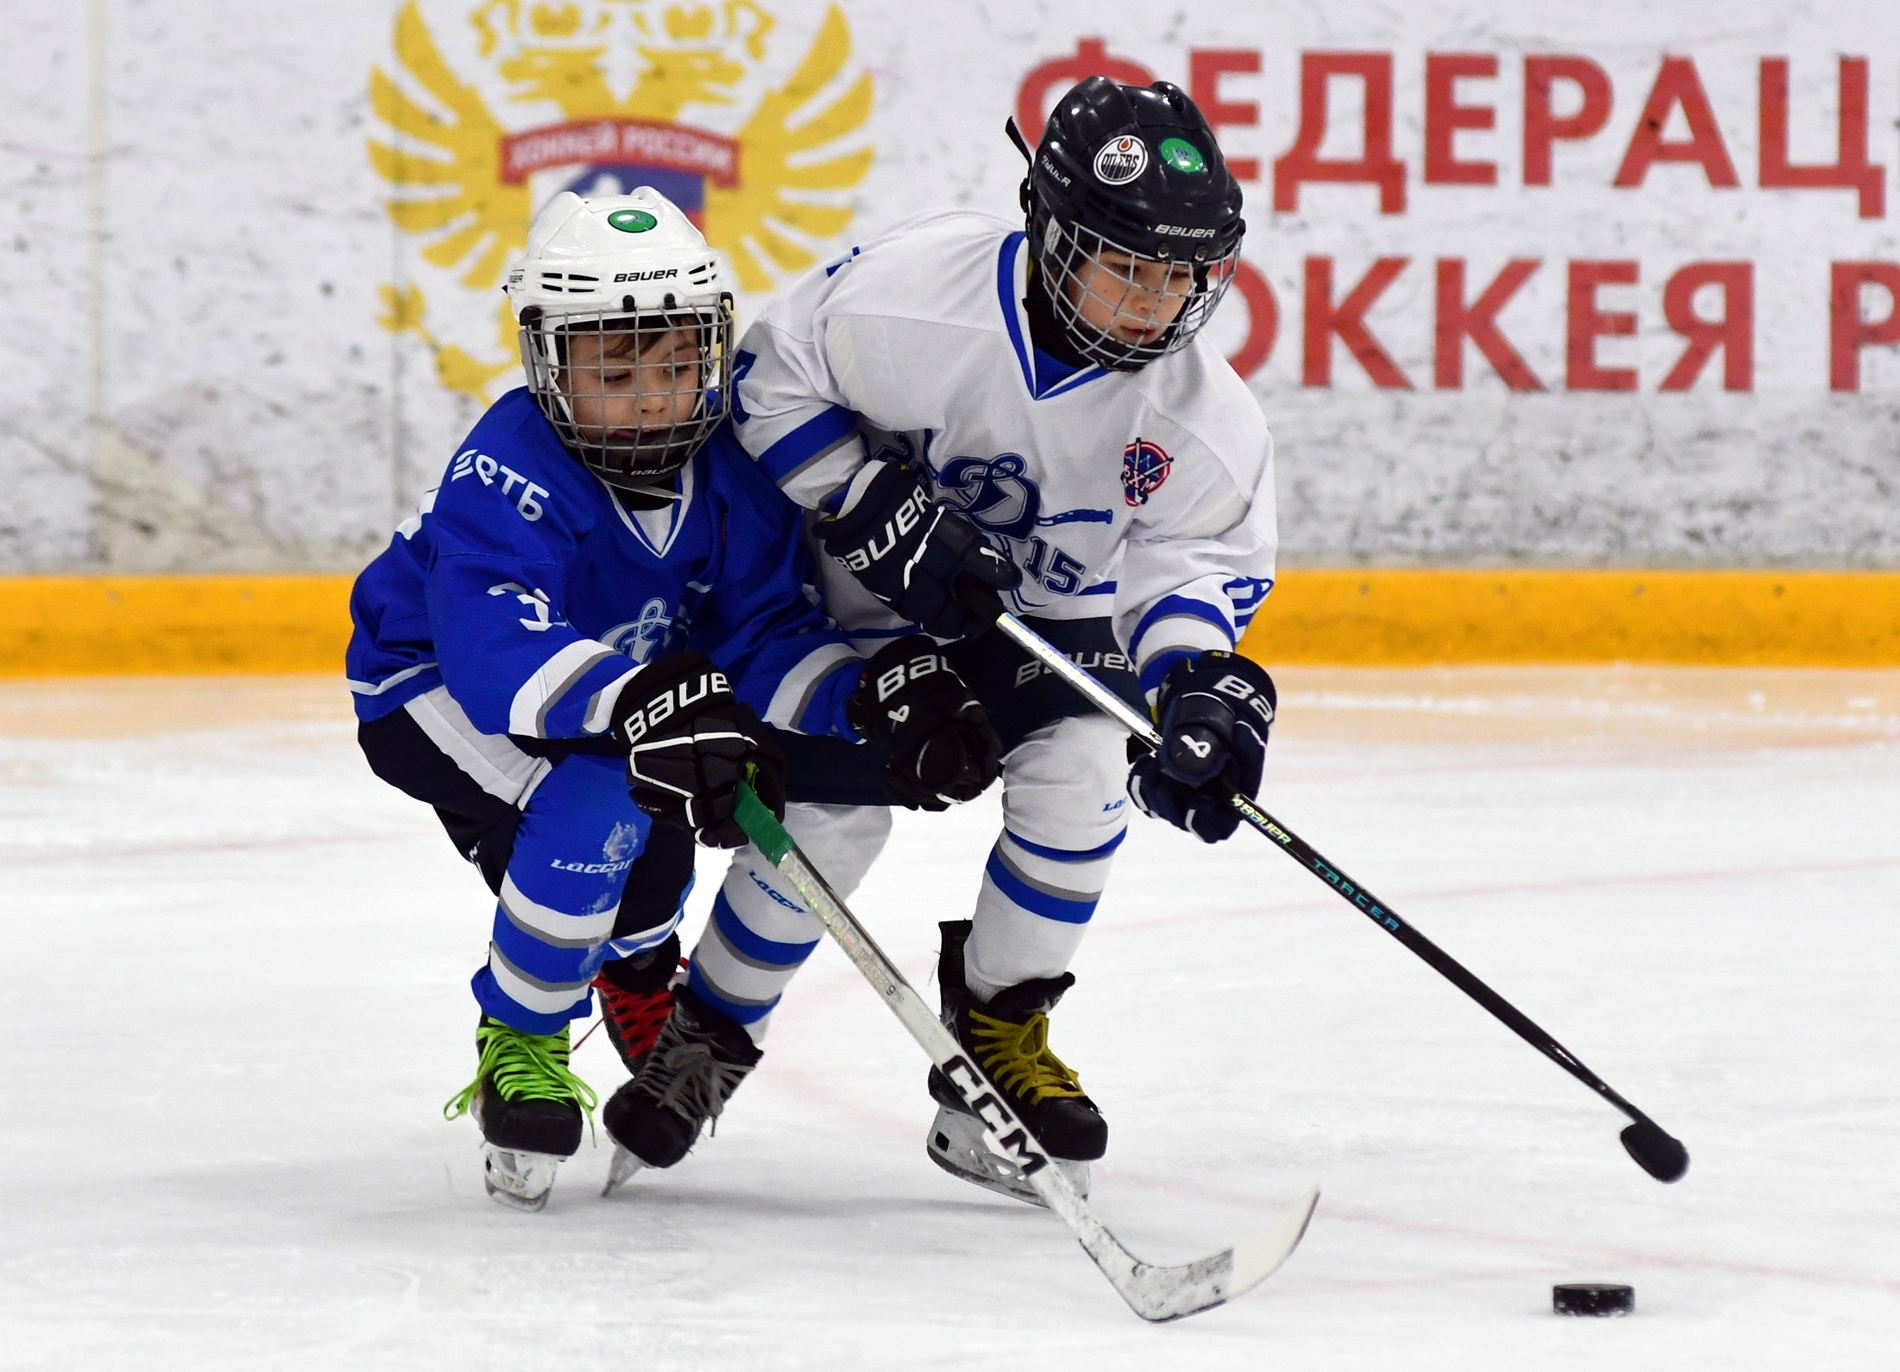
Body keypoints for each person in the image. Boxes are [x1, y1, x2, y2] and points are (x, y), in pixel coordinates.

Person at [601, 78, 1280, 1204]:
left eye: (1178, 277)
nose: (1154, 304)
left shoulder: (1202, 415)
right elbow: (767, 382)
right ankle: (707, 1034)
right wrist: (863, 496)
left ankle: (996, 1050)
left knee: (1084, 764)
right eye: (1126, 265)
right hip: (849, 618)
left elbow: (1195, 568)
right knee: (835, 816)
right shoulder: (910, 297)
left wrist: (1199, 690)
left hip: (1038, 624)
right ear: (1050, 229)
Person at [346, 187, 999, 1211]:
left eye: (675, 362)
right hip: (430, 692)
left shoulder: (731, 475)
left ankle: (642, 970)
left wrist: (863, 698)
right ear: (548, 365)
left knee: (649, 866)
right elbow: (491, 651)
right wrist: (643, 696)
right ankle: (521, 1035)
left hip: (614, 696)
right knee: (608, 792)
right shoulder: (508, 465)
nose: (652, 394)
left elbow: (760, 638)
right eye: (613, 369)